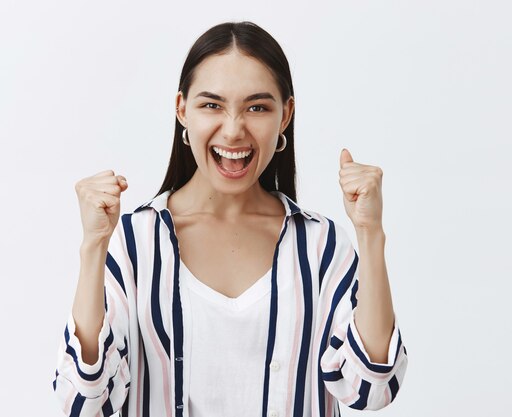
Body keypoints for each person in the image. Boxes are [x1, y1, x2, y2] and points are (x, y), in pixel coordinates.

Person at [53, 21, 408, 417]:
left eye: (257, 107)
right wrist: (93, 247)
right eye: (212, 105)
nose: (234, 130)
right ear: (181, 110)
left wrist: (370, 233)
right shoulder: (134, 243)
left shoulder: (322, 246)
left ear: (285, 115)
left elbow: (373, 387)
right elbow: (84, 402)